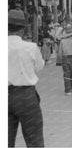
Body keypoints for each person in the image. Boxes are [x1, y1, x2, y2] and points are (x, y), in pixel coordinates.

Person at [8, 9, 45, 147]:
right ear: (23, 29)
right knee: (34, 140)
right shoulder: (30, 47)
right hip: (26, 96)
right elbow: (39, 67)